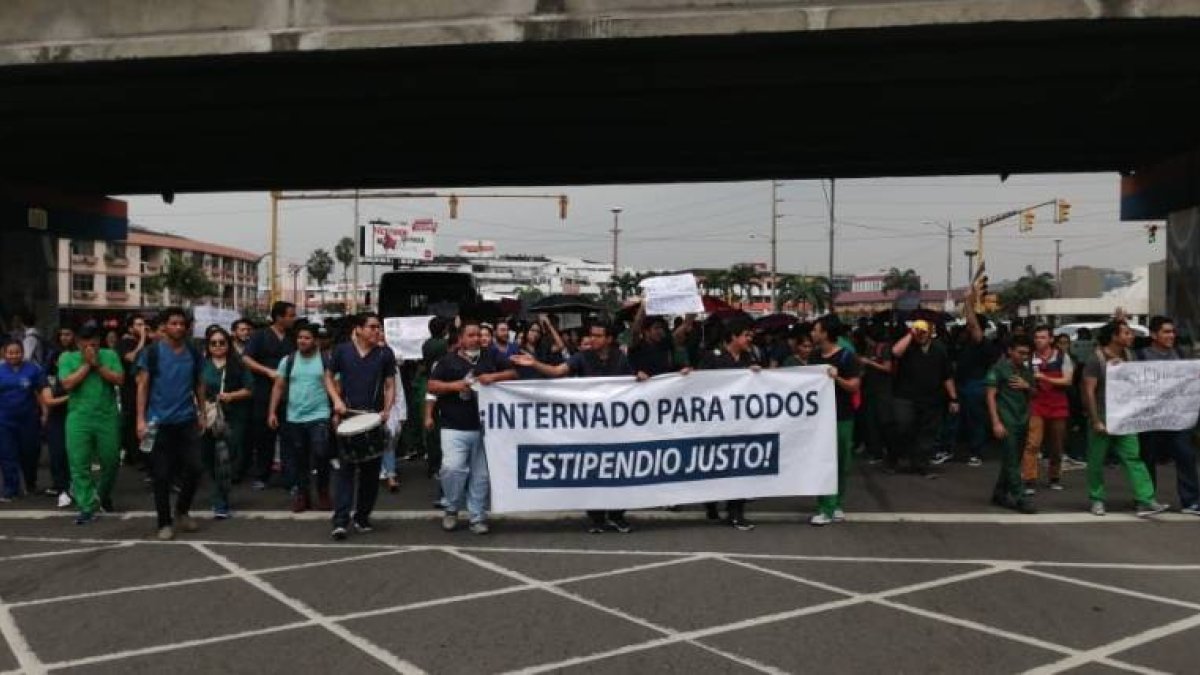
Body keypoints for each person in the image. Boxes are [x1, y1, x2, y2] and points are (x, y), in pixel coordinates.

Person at [512, 320, 637, 533]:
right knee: (593, 471)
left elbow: (632, 383)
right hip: (589, 427)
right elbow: (557, 371)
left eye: (598, 335)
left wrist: (641, 378)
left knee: (617, 470)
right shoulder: (582, 357)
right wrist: (533, 363)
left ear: (608, 339)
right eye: (591, 335)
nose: (592, 339)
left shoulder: (620, 358)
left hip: (616, 428)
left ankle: (617, 516)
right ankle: (597, 518)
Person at [429, 320, 517, 534]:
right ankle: (451, 508)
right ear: (460, 339)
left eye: (478, 335)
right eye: (471, 335)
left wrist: (493, 376)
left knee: (481, 476)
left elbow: (513, 373)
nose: (476, 338)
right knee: (451, 468)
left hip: (485, 427)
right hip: (453, 425)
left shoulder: (491, 355)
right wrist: (455, 386)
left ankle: (477, 517)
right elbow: (432, 385)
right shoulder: (447, 361)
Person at [1081, 320, 1168, 517]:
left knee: (1133, 457)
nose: (1131, 337)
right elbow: (1089, 391)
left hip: (1124, 416)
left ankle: (1146, 499)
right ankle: (1097, 499)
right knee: (1096, 460)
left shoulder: (1130, 356)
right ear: (1114, 336)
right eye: (1127, 333)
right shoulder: (1096, 359)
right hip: (1103, 415)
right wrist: (1095, 420)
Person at [325, 313, 397, 540]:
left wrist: (387, 409)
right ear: (358, 329)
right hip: (348, 416)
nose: (377, 331)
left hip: (372, 418)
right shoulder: (342, 351)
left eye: (379, 327)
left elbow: (390, 384)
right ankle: (340, 520)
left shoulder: (385, 353)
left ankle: (362, 516)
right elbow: (327, 377)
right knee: (345, 471)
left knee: (370, 472)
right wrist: (336, 400)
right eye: (372, 327)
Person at [137, 307, 206, 540]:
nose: (178, 327)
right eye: (173, 323)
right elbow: (143, 386)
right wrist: (140, 419)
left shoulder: (194, 352)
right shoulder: (152, 352)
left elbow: (199, 384)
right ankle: (164, 522)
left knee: (195, 468)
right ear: (164, 326)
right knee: (162, 475)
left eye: (181, 323)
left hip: (186, 419)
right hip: (157, 422)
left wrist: (203, 413)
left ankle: (182, 510)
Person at [693, 315, 761, 531]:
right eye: (745, 335)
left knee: (739, 466)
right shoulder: (713, 357)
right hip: (715, 424)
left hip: (740, 424)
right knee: (714, 466)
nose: (749, 339)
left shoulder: (748, 358)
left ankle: (736, 512)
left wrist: (758, 375)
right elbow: (699, 385)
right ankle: (711, 503)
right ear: (733, 336)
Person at [58, 325, 124, 523]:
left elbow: (120, 379)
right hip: (79, 417)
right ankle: (86, 506)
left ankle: (101, 496)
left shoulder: (110, 355)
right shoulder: (67, 358)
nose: (91, 347)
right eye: (86, 344)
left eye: (94, 343)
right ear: (78, 343)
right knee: (79, 463)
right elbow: (67, 384)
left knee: (111, 460)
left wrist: (98, 366)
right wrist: (87, 365)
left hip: (107, 416)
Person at [1135, 316, 1199, 515]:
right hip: (1150, 420)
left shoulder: (1180, 354)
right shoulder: (1140, 357)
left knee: (1186, 456)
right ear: (1154, 335)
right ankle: (1147, 499)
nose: (1171, 335)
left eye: (1172, 332)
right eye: (1166, 332)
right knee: (1147, 458)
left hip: (1177, 419)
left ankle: (1191, 501)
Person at [270, 325, 333, 513]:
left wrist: (336, 409)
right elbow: (278, 387)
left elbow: (336, 386)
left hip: (320, 414)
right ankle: (302, 495)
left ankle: (323, 492)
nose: (302, 341)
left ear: (315, 340)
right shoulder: (288, 361)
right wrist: (272, 412)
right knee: (299, 459)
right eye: (299, 338)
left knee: (322, 454)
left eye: (306, 338)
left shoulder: (326, 360)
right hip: (295, 417)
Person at [808, 315, 862, 526]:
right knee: (823, 462)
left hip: (842, 417)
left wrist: (836, 378)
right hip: (820, 419)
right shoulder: (814, 356)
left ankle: (837, 503)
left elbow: (854, 386)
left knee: (841, 462)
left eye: (816, 330)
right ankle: (825, 507)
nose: (813, 334)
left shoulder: (847, 357)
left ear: (826, 333)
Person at [891, 319, 959, 477]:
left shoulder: (939, 349)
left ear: (930, 332)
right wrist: (910, 334)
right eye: (918, 332)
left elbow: (946, 375)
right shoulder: (908, 345)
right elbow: (895, 352)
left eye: (924, 332)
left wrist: (954, 398)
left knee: (928, 433)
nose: (920, 335)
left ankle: (921, 464)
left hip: (932, 399)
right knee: (903, 427)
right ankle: (896, 458)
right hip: (906, 397)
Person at [242, 301, 296, 489]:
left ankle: (290, 479)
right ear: (279, 317)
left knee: (289, 437)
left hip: (288, 393)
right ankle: (262, 475)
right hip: (263, 391)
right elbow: (246, 358)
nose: (293, 319)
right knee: (264, 435)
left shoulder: (293, 337)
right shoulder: (260, 336)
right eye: (290, 315)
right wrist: (267, 372)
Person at [201, 327, 253, 518]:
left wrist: (231, 395)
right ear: (208, 345)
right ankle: (218, 493)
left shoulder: (237, 364)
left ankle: (221, 501)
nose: (217, 346)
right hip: (207, 416)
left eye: (221, 342)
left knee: (225, 459)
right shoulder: (202, 365)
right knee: (207, 459)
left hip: (233, 418)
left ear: (228, 344)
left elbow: (249, 389)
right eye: (213, 343)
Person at [987, 335, 1037, 514]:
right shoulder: (999, 369)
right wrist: (995, 422)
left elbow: (1034, 393)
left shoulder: (1025, 371)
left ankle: (1000, 493)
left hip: (1022, 419)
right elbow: (990, 396)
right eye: (1020, 353)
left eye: (1027, 354)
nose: (1024, 356)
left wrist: (1027, 386)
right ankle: (1020, 496)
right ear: (1010, 351)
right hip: (1006, 419)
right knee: (1011, 460)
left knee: (1013, 459)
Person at [1022, 325, 1073, 494]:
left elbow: (1067, 381)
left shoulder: (1062, 357)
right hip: (1036, 404)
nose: (1038, 341)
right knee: (1032, 443)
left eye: (1043, 337)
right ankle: (1029, 479)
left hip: (1058, 405)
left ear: (1051, 339)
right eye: (1036, 337)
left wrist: (1044, 377)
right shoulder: (1028, 358)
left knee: (1057, 445)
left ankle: (1054, 477)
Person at [0, 340, 46, 501]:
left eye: (17, 352)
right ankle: (10, 489)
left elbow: (41, 393)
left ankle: (30, 484)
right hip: (5, 421)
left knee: (30, 453)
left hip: (29, 419)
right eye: (10, 352)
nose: (14, 355)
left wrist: (45, 413)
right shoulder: (0, 370)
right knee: (7, 455)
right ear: (4, 353)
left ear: (22, 352)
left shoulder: (33, 369)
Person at [43, 328, 76, 506]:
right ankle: (60, 487)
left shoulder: (78, 368)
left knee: (74, 452)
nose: (65, 337)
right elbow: (47, 399)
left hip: (75, 415)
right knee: (57, 453)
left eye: (68, 334)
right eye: (62, 334)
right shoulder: (49, 375)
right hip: (56, 416)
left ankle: (73, 486)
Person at [858, 324, 895, 465]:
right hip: (870, 390)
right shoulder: (870, 349)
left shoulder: (884, 348)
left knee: (883, 422)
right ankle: (876, 451)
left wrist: (869, 362)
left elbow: (887, 368)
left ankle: (886, 451)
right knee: (871, 422)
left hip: (883, 391)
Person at [117, 315, 150, 468]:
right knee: (131, 421)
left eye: (143, 324)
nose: (142, 327)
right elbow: (132, 358)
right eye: (138, 324)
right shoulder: (125, 342)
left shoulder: (144, 342)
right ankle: (134, 455)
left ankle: (140, 455)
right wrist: (143, 338)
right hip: (130, 388)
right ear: (130, 328)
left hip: (143, 387)